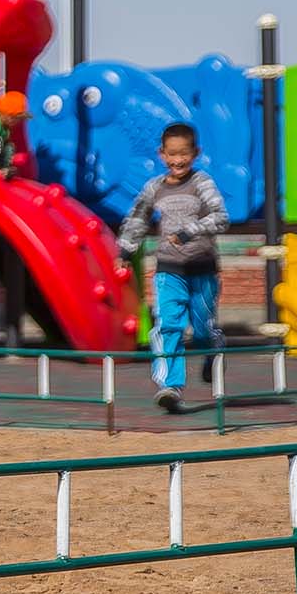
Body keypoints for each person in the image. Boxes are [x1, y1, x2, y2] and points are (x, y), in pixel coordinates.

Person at [115, 122, 230, 412]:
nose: (178, 160)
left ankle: (213, 348)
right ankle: (171, 386)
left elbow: (220, 217)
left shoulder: (202, 183)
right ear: (161, 154)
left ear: (196, 153)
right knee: (169, 326)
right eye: (172, 154)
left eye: (184, 154)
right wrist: (125, 249)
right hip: (168, 269)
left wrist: (191, 231)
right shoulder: (155, 187)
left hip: (202, 268)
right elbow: (138, 218)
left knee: (202, 329)